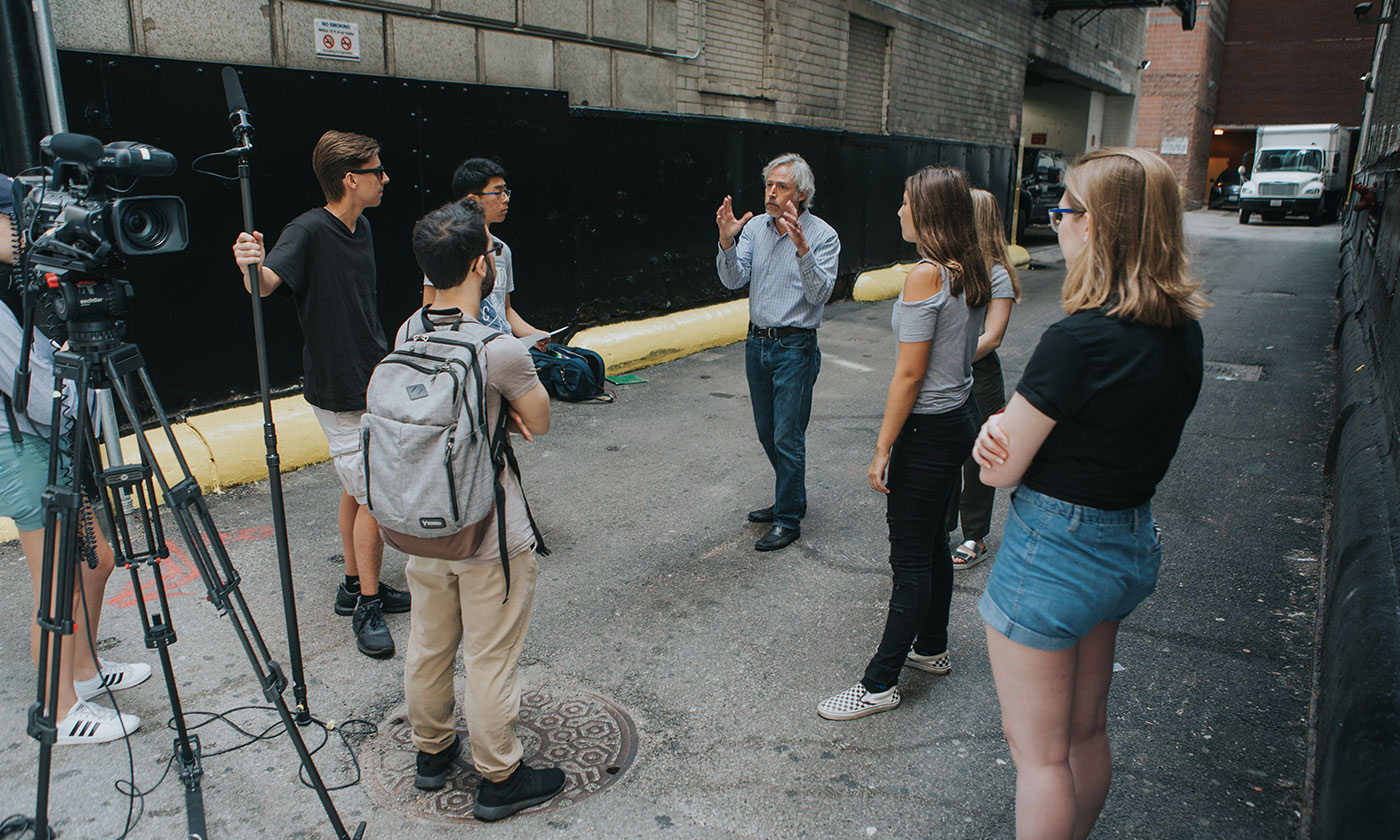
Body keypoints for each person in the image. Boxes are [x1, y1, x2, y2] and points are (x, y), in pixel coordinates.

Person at [973, 148, 1206, 840]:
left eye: (1065, 210)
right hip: (1125, 545)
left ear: (1098, 227)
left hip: (1054, 551)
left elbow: (998, 472)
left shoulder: (1078, 341)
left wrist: (995, 436)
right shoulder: (1182, 334)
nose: (1058, 221)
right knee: (1086, 731)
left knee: (1038, 758)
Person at [400, 199, 565, 822]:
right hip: (487, 529)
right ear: (479, 265)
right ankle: (500, 777)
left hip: (421, 525)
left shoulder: (407, 333)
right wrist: (513, 412)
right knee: (490, 654)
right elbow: (540, 420)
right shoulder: (497, 349)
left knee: (429, 641)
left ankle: (432, 751)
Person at [816, 166, 989, 721]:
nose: (898, 211)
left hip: (927, 429)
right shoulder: (970, 267)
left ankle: (879, 683)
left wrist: (883, 446)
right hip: (959, 417)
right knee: (934, 543)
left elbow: (909, 376)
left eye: (906, 202)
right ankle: (932, 648)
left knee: (910, 559)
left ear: (930, 213)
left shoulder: (927, 276)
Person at [230, 130, 407, 659]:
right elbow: (263, 285)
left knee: (358, 490)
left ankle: (353, 585)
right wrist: (248, 261)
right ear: (352, 179)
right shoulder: (307, 229)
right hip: (337, 384)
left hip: (369, 373)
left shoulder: (363, 228)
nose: (385, 178)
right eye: (378, 170)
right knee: (375, 490)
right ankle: (368, 607)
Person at [1, 175, 150, 744]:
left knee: (96, 560)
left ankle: (83, 671)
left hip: (43, 439)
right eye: (17, 218)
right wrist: (75, 364)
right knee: (58, 583)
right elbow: (37, 395)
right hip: (20, 445)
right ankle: (57, 709)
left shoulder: (14, 285)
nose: (30, 230)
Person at [715, 153, 840, 551]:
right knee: (767, 432)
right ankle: (792, 498)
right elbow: (733, 279)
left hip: (795, 347)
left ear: (801, 194)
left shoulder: (824, 236)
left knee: (788, 435)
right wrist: (727, 240)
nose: (771, 192)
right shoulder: (754, 227)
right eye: (769, 184)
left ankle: (788, 518)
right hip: (757, 343)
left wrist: (803, 249)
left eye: (781, 186)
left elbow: (821, 295)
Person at [946, 189, 1023, 569]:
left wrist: (947, 355)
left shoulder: (997, 275)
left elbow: (992, 337)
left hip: (980, 374)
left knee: (977, 458)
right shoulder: (950, 265)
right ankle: (941, 529)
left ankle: (974, 535)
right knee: (944, 451)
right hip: (947, 370)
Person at [422, 158, 545, 345]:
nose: (505, 199)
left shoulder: (502, 250)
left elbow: (505, 310)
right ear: (472, 199)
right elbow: (430, 309)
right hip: (469, 348)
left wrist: (533, 334)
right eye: (498, 192)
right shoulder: (448, 246)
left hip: (504, 346)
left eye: (506, 192)